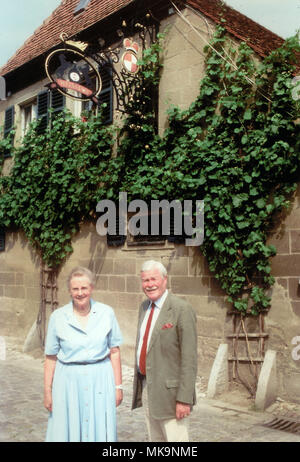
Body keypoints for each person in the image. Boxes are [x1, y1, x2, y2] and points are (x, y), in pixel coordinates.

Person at [44, 266, 123, 442]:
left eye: (84, 288)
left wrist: (118, 387)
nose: (80, 293)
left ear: (91, 288)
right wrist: (48, 391)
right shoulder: (57, 317)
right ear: (70, 291)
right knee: (66, 430)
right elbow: (50, 357)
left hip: (100, 380)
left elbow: (115, 351)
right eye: (75, 289)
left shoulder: (106, 313)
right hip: (67, 382)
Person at [132, 260, 198, 442]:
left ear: (164, 280)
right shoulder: (144, 308)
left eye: (153, 279)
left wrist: (184, 399)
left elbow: (189, 359)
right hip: (148, 388)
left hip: (172, 395)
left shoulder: (181, 309)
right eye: (145, 280)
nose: (149, 284)